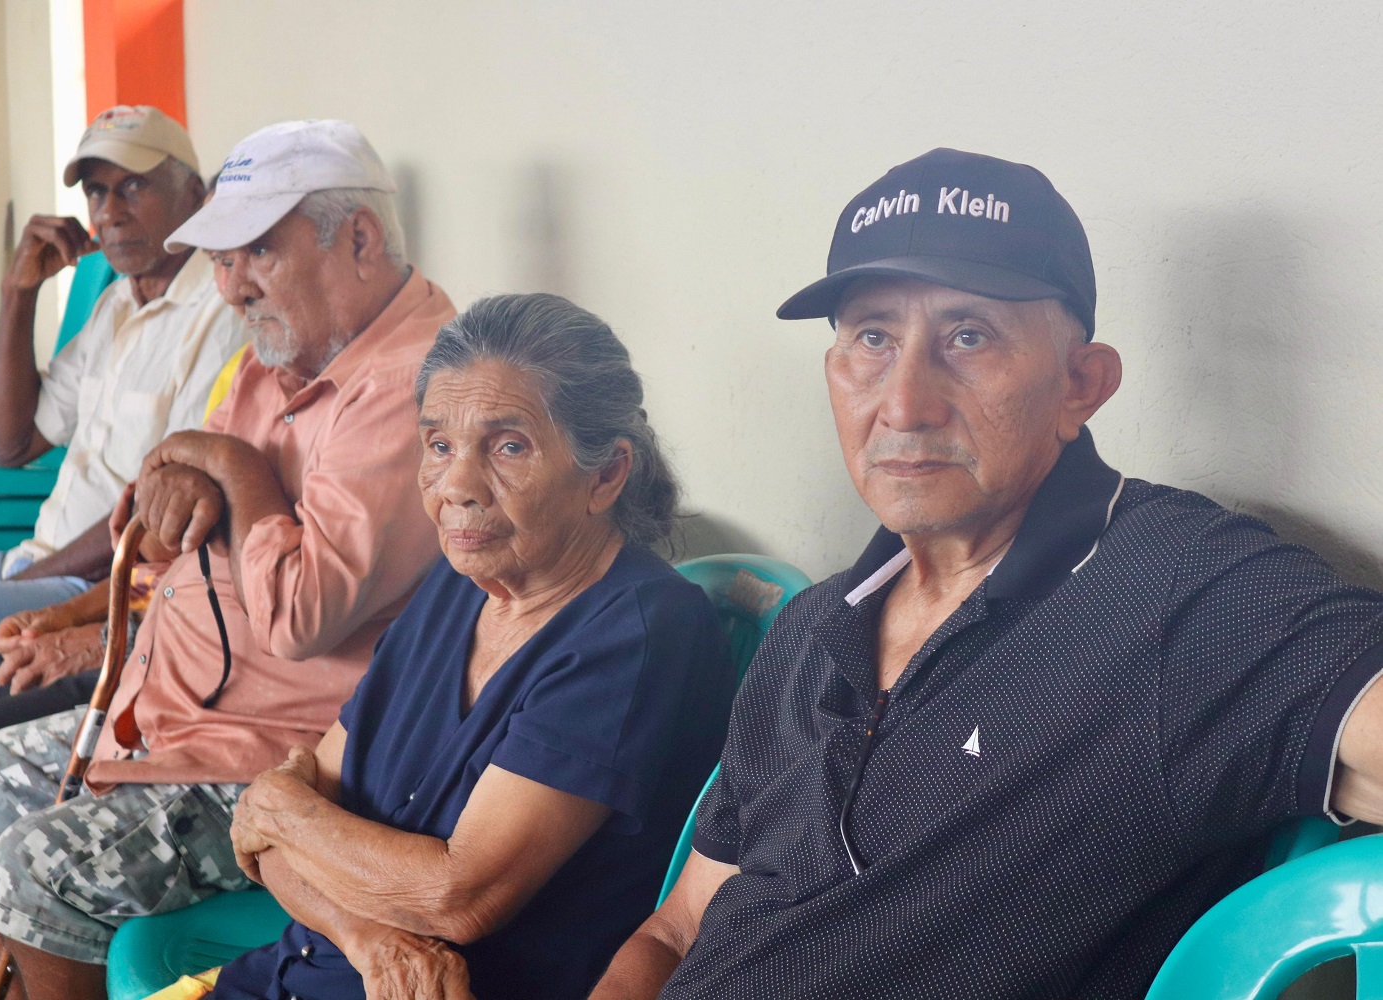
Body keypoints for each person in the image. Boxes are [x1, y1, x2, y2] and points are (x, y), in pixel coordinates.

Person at [590, 148, 1383, 1000]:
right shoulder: (812, 627)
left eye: (968, 337)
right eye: (872, 337)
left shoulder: (1180, 591)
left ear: (1081, 384)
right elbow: (677, 930)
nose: (903, 404)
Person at [0, 118, 451, 1000]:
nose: (231, 286)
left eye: (257, 252)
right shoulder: (282, 356)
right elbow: (163, 525)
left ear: (359, 239)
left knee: (34, 868)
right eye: (223, 260)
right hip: (175, 712)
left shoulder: (407, 385)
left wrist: (232, 468)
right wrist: (182, 482)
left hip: (279, 762)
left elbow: (300, 616)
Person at [160, 293, 734, 1000]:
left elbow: (458, 897)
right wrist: (365, 938)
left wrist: (285, 812)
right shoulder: (459, 586)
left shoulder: (638, 633)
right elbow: (269, 846)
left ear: (607, 474)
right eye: (439, 446)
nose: (457, 486)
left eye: (509, 446)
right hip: (297, 973)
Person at [0, 103, 245, 999]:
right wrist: (19, 294)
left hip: (87, 582)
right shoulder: (119, 303)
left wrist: (45, 587)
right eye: (97, 192)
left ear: (195, 195)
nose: (111, 211)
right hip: (26, 563)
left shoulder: (220, 312)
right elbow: (12, 445)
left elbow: (158, 514)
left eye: (135, 187)